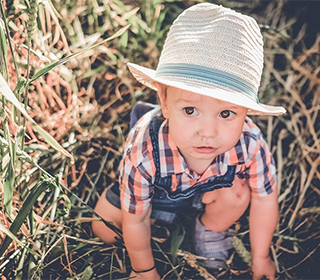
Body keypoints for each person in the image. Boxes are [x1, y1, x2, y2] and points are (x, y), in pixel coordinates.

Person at [92, 2, 286, 280]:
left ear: (246, 114)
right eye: (190, 110)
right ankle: (160, 226)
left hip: (207, 195)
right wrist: (143, 269)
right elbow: (134, 217)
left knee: (239, 194)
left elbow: (265, 199)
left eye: (227, 113)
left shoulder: (250, 144)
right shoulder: (146, 149)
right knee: (104, 229)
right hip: (151, 197)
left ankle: (209, 228)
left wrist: (261, 257)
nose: (208, 132)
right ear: (165, 103)